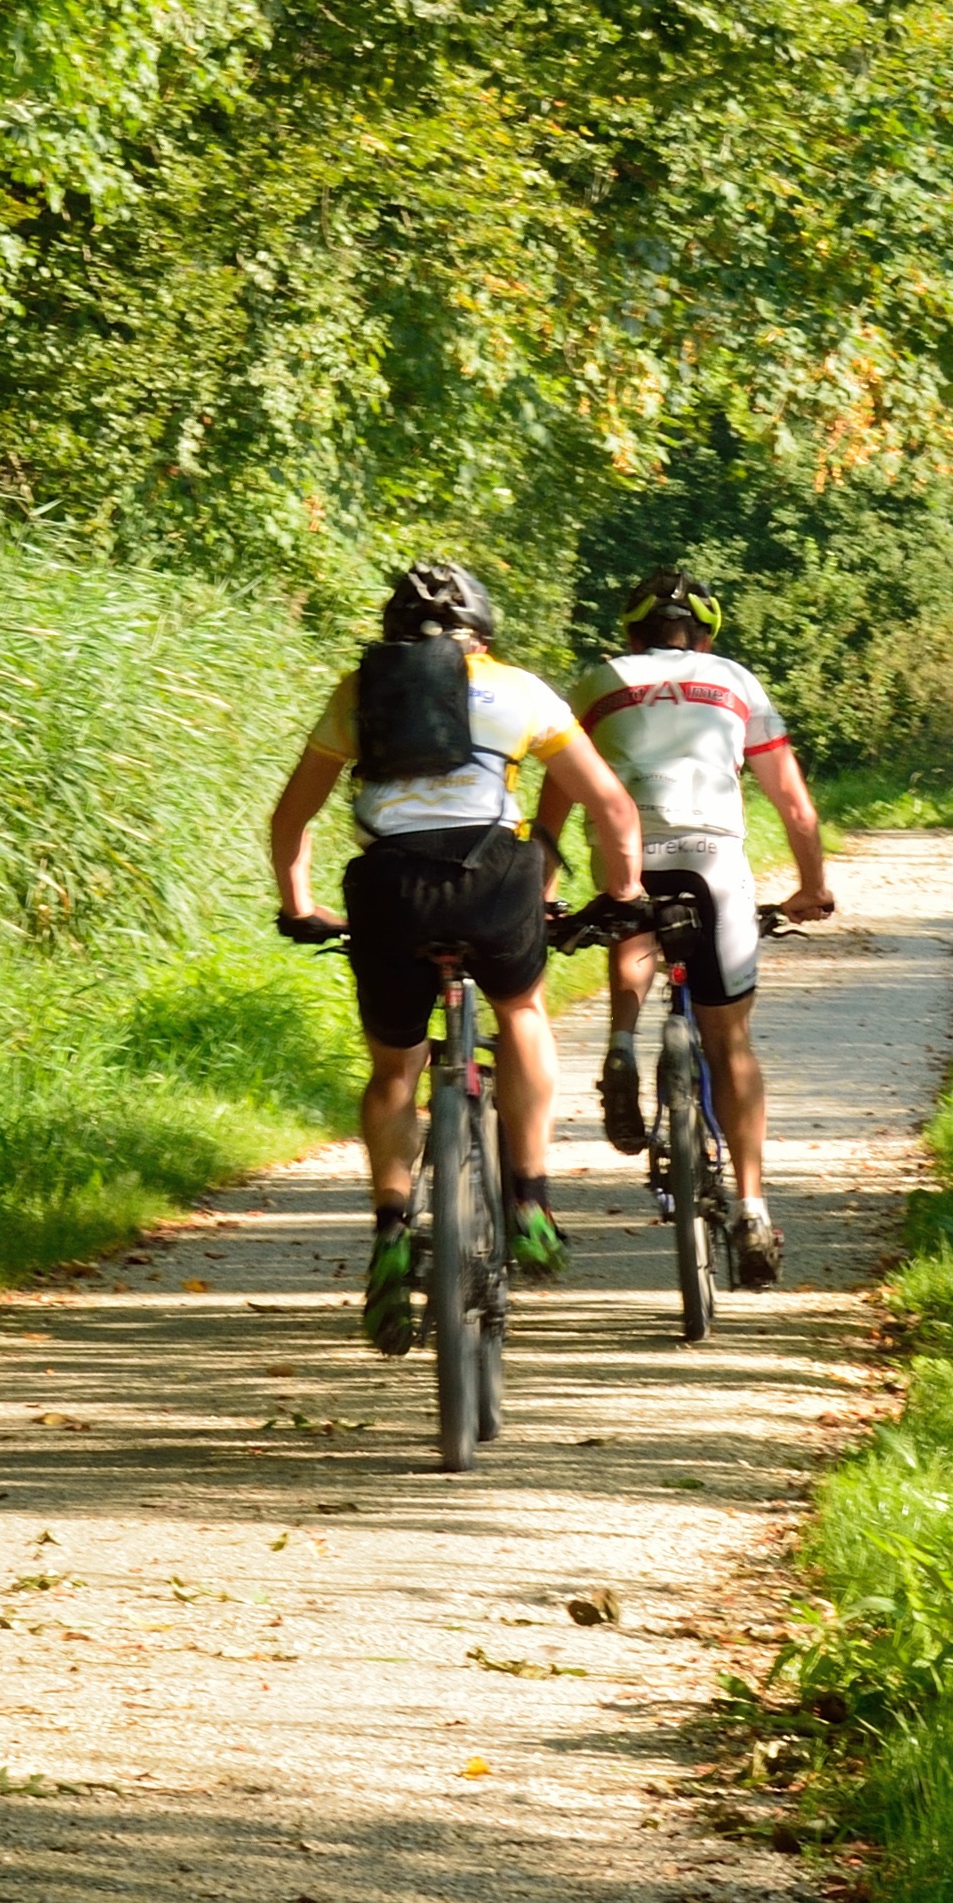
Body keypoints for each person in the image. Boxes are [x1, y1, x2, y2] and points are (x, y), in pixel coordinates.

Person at [265, 563, 647, 1355]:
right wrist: (622, 893)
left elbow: (291, 816)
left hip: (388, 887)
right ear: (484, 627)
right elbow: (610, 806)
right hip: (492, 880)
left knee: (395, 1070)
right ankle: (531, 1202)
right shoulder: (520, 690)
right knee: (521, 1012)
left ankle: (391, 1228)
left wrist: (298, 904)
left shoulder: (358, 692)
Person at [541, 576, 837, 1289]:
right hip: (712, 855)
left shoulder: (597, 682)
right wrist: (811, 887)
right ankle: (753, 1211)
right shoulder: (735, 682)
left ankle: (619, 1044)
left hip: (630, 849)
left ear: (633, 636)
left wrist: (543, 899)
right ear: (703, 637)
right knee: (728, 1040)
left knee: (630, 914)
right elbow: (793, 804)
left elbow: (552, 809)